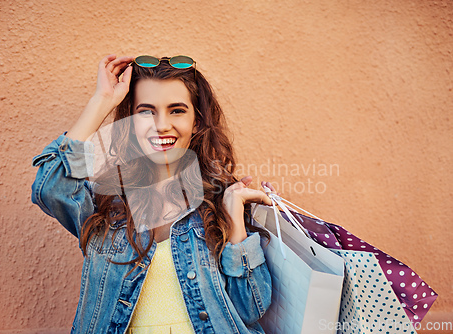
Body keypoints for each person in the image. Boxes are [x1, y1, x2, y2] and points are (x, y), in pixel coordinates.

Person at [31, 54, 275, 333]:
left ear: (196, 122)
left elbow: (250, 308)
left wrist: (235, 223)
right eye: (146, 111)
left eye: (177, 110)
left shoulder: (220, 204)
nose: (161, 125)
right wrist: (102, 101)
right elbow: (50, 185)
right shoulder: (106, 207)